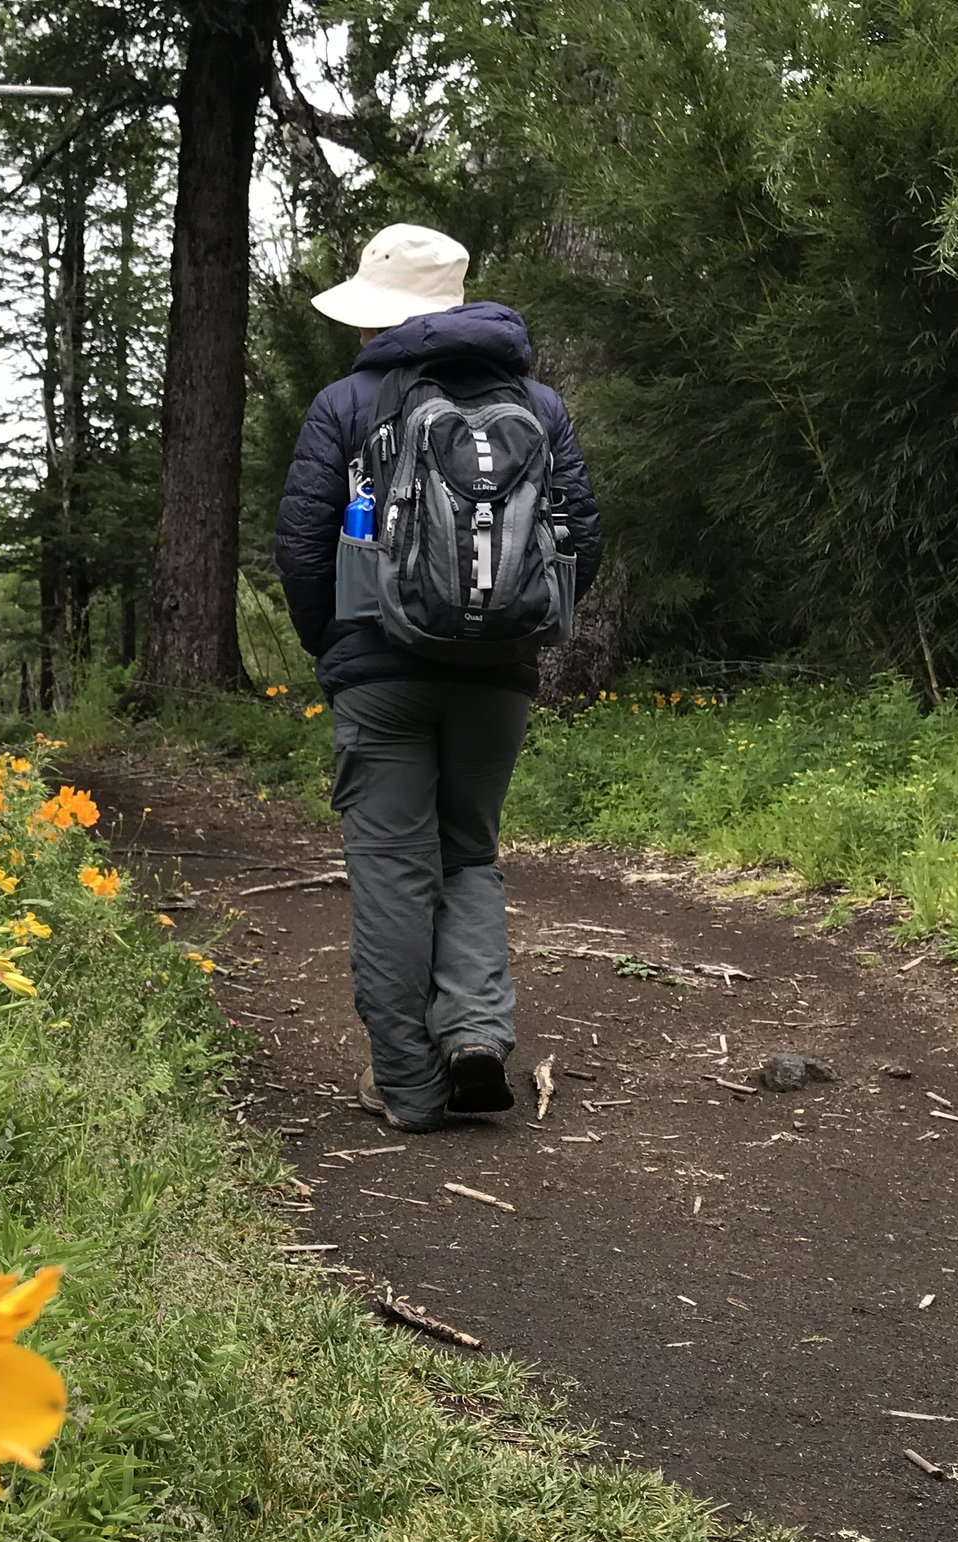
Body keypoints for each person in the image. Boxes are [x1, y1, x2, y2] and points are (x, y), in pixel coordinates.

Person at [273, 224, 602, 1132]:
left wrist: (336, 646)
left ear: (379, 314)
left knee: (391, 870)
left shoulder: (346, 402)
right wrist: (516, 632)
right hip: (497, 679)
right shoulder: (537, 404)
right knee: (469, 855)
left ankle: (409, 1087)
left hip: (378, 673)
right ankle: (475, 1038)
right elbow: (581, 539)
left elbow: (302, 547)